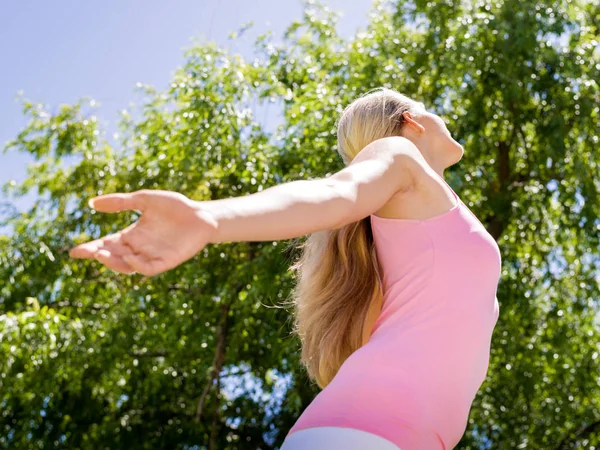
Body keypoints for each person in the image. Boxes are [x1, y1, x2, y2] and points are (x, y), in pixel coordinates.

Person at [69, 88, 501, 449]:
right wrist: (210, 219)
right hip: (366, 431)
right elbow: (339, 193)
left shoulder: (413, 227)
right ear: (412, 120)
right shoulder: (398, 155)